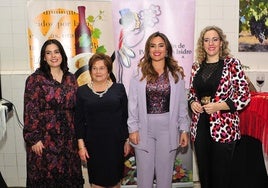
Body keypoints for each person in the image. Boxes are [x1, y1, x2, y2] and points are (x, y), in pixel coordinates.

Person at [188, 26, 251, 188]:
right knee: (205, 174)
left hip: (224, 128)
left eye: (215, 39)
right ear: (202, 44)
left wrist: (220, 106)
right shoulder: (196, 67)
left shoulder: (232, 64)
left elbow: (244, 96)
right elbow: (192, 93)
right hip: (200, 127)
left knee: (222, 176)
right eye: (206, 40)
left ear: (221, 43)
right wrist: (192, 103)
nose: (211, 43)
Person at [127, 31, 190, 188]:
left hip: (168, 130)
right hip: (143, 130)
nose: (157, 49)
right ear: (148, 50)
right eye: (153, 46)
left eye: (161, 45)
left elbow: (182, 104)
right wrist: (132, 129)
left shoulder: (176, 75)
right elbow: (132, 104)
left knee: (165, 177)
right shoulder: (138, 74)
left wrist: (184, 130)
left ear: (167, 49)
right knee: (144, 177)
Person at [23, 39, 84, 187]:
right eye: (48, 53)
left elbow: (77, 108)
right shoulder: (35, 79)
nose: (53, 56)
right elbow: (30, 110)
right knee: (46, 179)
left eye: (56, 52)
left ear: (62, 54)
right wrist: (34, 138)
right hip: (44, 140)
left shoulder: (71, 78)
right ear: (44, 57)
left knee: (69, 178)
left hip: (68, 139)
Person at [74, 53, 131, 188]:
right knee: (97, 182)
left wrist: (127, 140)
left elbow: (126, 117)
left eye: (102, 68)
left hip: (115, 144)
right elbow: (79, 121)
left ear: (108, 71)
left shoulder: (119, 88)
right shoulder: (82, 91)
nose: (98, 72)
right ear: (90, 70)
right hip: (93, 145)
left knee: (115, 181)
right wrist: (81, 146)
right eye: (94, 68)